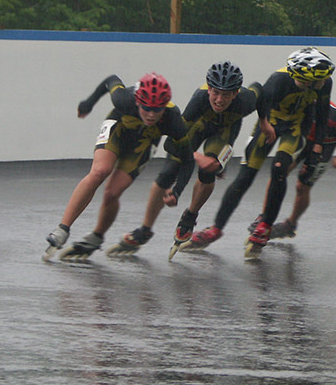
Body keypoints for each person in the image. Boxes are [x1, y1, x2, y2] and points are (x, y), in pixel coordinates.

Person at [108, 61, 268, 255]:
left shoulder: (246, 100)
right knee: (168, 171)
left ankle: (190, 215)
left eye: (226, 95)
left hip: (225, 131)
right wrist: (195, 158)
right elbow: (172, 143)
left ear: (235, 94)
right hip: (197, 127)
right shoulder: (199, 100)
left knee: (210, 169)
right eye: (215, 93)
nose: (219, 100)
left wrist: (264, 122)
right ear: (208, 89)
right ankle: (145, 230)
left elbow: (259, 89)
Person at [185, 47, 332, 253]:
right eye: (321, 79)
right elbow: (260, 102)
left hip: (296, 127)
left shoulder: (325, 83)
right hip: (270, 124)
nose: (324, 83)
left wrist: (317, 147)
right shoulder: (278, 81)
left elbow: (323, 114)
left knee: (279, 168)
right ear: (306, 77)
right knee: (245, 176)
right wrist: (263, 124)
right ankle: (216, 228)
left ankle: (265, 226)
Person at [44, 73, 193, 260]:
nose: (151, 115)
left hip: (144, 142)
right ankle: (62, 229)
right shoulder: (124, 100)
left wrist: (177, 191)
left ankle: (97, 236)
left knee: (112, 193)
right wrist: (89, 103)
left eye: (157, 110)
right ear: (138, 102)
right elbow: (111, 80)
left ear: (165, 107)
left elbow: (188, 160)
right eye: (147, 108)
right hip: (118, 128)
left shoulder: (173, 119)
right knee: (100, 171)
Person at [267, 102, 336, 239]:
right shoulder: (291, 107)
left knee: (302, 187)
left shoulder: (332, 118)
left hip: (326, 145)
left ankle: (290, 224)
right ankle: (264, 220)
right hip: (303, 138)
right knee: (278, 172)